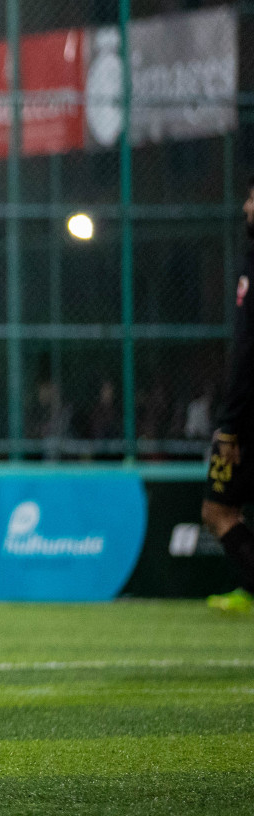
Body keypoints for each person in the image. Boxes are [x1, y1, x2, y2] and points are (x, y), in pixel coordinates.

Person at [203, 179, 254, 615]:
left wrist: (229, 426)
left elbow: (247, 350)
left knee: (217, 510)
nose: (245, 205)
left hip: (245, 419)